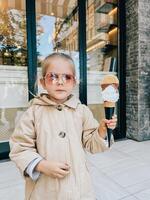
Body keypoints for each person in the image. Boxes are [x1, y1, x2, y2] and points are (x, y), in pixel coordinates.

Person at [9, 52, 117, 200]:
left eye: (67, 77)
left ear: (74, 82)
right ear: (43, 82)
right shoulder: (33, 113)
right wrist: (41, 165)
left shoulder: (82, 111)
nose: (60, 82)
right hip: (45, 189)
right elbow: (19, 148)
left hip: (78, 188)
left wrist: (102, 131)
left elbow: (92, 144)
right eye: (53, 76)